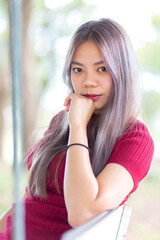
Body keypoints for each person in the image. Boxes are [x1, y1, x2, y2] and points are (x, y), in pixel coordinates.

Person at [0, 18, 154, 240]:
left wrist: (78, 127)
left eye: (102, 69)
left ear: (122, 72)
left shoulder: (134, 139)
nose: (88, 81)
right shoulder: (61, 122)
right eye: (78, 69)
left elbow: (82, 213)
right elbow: (31, 198)